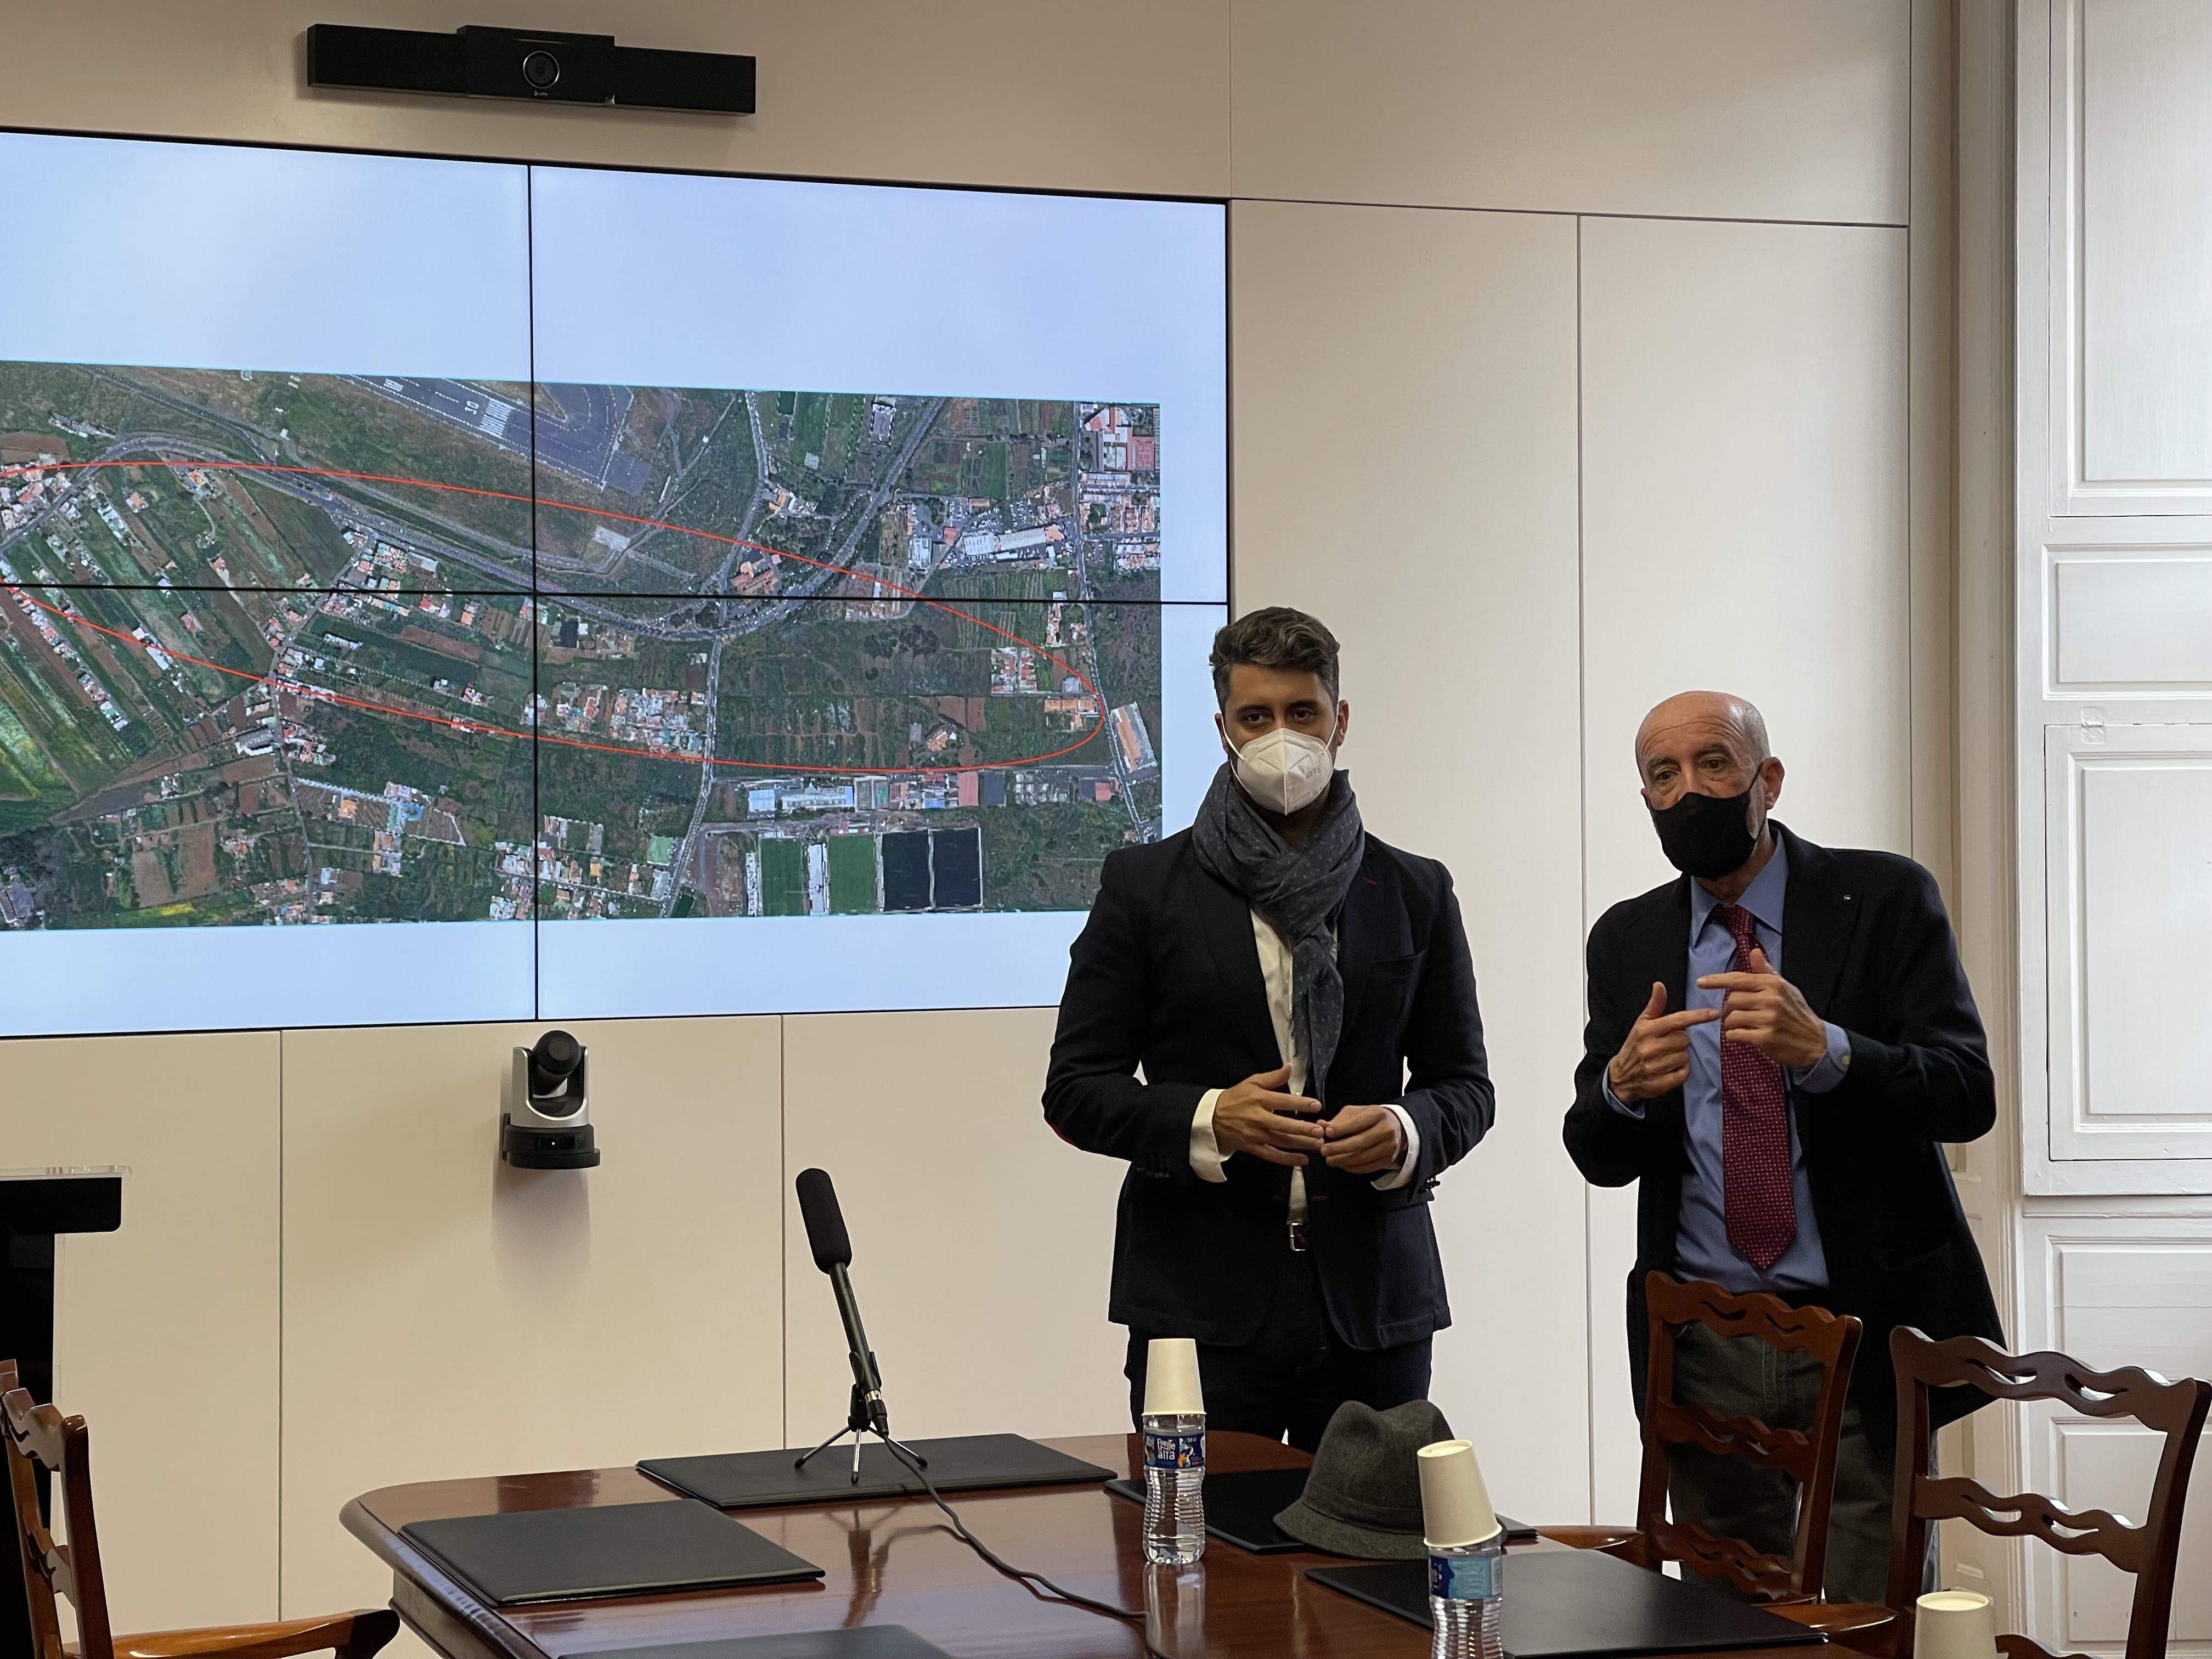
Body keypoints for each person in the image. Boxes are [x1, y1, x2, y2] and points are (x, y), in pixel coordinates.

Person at [1565, 690, 2002, 1603]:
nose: (1689, 792)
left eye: (1714, 764)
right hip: (1703, 1339)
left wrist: (1830, 1050)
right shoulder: (1629, 936)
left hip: (1864, 1326)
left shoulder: (1883, 897)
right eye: (1662, 775)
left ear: (1767, 778)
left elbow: (1968, 1095)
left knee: (1866, 1613)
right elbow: (1598, 1153)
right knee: (1725, 1618)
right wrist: (1619, 1088)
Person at [1043, 607, 1493, 1452]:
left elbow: (1465, 1089)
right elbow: (1075, 1091)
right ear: (1224, 731)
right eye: (1257, 717)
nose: (1282, 738)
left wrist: (1401, 1130)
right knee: (1194, 1566)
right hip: (1198, 1307)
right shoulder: (1145, 888)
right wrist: (1211, 1117)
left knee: (1368, 1570)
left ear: (1340, 721)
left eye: (1302, 714)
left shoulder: (1414, 891)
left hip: (1373, 1309)